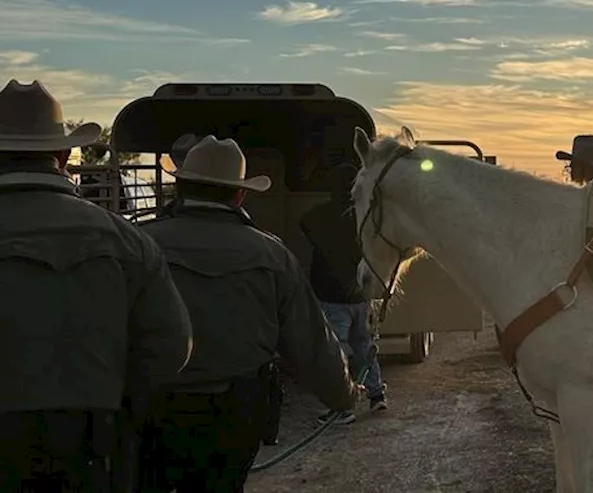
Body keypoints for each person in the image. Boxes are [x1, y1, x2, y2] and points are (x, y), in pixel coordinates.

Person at [136, 135, 363, 492]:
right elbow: (309, 343)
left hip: (152, 404)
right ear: (239, 194)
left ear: (180, 185)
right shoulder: (272, 254)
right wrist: (343, 394)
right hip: (234, 410)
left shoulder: (138, 243)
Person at [0, 79, 193, 492]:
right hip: (92, 436)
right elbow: (171, 345)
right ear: (63, 154)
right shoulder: (127, 241)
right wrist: (118, 395)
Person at [300, 163, 388, 424]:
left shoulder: (318, 216)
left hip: (330, 295)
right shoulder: (364, 216)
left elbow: (302, 224)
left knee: (337, 352)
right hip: (361, 295)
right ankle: (376, 395)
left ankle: (343, 406)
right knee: (364, 346)